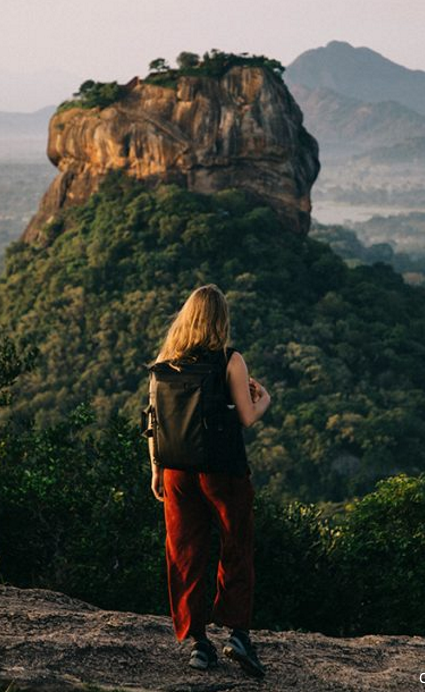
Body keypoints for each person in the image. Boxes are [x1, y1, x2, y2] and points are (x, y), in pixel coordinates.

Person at [147, 284, 271, 677]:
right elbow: (248, 416)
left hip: (177, 470)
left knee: (185, 553)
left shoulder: (165, 363)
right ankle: (237, 635)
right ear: (220, 319)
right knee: (236, 546)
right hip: (223, 471)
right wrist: (264, 398)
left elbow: (153, 421)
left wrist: (155, 470)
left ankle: (198, 643)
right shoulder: (230, 361)